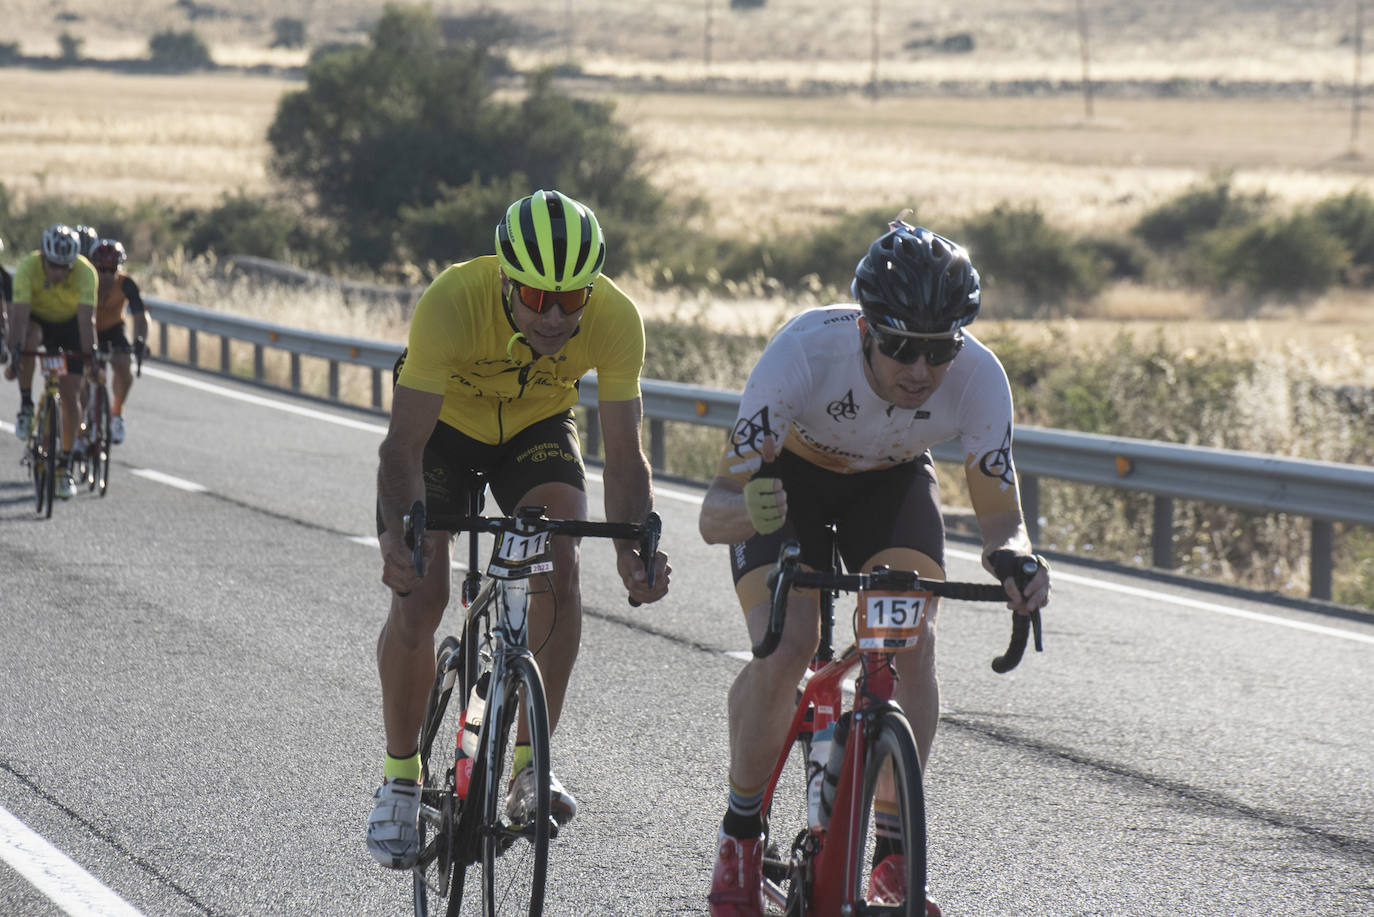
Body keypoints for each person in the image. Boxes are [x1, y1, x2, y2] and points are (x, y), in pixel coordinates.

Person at [697, 220, 1051, 917]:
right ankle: (741, 832)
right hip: (787, 489)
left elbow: (1001, 516)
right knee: (790, 641)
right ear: (864, 327)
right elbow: (714, 515)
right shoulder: (802, 353)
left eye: (939, 348)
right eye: (899, 346)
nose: (920, 369)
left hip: (888, 485)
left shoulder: (980, 378)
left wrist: (1016, 556)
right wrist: (754, 511)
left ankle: (891, 849)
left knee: (911, 640)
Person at [367, 189, 672, 869]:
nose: (557, 316)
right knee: (422, 596)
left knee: (560, 561)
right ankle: (399, 777)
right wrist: (397, 537)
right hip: (443, 434)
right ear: (505, 280)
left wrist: (634, 549)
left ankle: (530, 767)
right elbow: (401, 450)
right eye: (537, 299)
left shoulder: (617, 318)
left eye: (572, 299)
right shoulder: (454, 299)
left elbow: (624, 456)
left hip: (533, 431)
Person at [8, 224, 98, 500]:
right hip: (38, 320)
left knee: (70, 395)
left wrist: (89, 357)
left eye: (64, 267)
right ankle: (26, 406)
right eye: (53, 266)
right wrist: (16, 354)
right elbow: (19, 318)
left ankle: (64, 466)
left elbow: (86, 321)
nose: (58, 273)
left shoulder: (85, 272)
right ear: (43, 259)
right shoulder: (27, 268)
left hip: (70, 324)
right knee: (28, 341)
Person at [89, 239, 148, 444]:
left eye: (111, 270)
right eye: (102, 270)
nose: (106, 275)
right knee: (81, 373)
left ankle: (117, 413)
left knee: (125, 368)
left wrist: (140, 340)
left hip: (114, 328)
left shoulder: (126, 284)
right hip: (88, 327)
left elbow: (140, 316)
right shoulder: (85, 280)